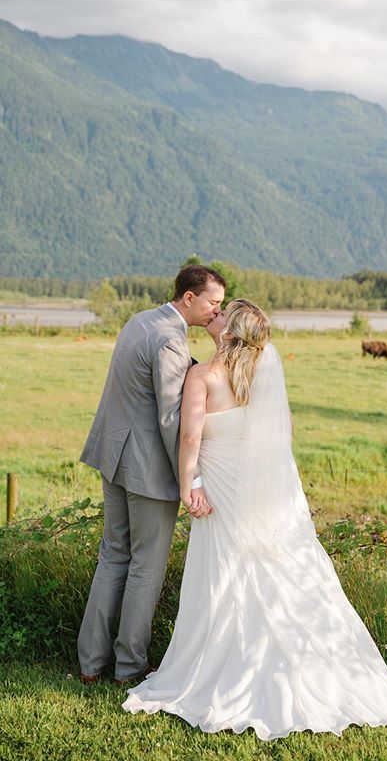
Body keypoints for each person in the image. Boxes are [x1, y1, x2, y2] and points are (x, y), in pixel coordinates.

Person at [122, 299, 387, 739]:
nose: (216, 316)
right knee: (285, 570)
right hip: (261, 489)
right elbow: (283, 431)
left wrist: (191, 484)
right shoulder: (262, 372)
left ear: (228, 332)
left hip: (221, 489)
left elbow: (190, 436)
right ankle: (307, 662)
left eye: (223, 314)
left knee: (225, 575)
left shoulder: (202, 376)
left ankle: (229, 668)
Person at [77, 265, 226, 684]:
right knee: (146, 566)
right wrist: (189, 479)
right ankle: (130, 665)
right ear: (189, 298)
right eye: (213, 302)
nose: (217, 310)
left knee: (113, 556)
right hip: (146, 470)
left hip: (114, 456)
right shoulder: (170, 342)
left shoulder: (141, 320)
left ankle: (90, 663)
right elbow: (170, 418)